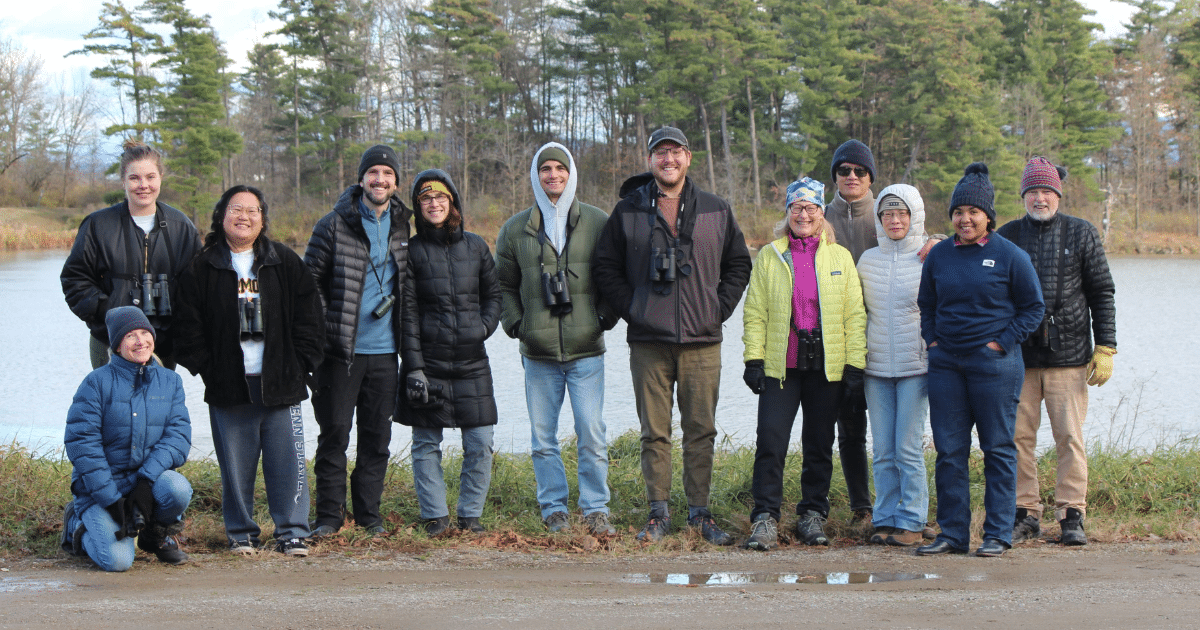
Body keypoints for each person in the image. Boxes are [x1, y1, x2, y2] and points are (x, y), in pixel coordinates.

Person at [593, 126, 752, 545]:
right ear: (650, 160)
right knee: (654, 432)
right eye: (661, 153)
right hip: (649, 342)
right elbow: (605, 267)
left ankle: (700, 514)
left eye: (676, 153)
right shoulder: (627, 211)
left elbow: (738, 265)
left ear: (689, 158)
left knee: (701, 429)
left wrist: (717, 310)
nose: (669, 160)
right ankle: (658, 514)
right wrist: (634, 310)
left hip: (703, 341)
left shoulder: (717, 209)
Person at [175, 186, 325, 557]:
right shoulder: (202, 266)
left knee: (288, 463)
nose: (244, 216)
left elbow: (311, 318)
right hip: (229, 384)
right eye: (236, 209)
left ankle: (292, 530)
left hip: (281, 381)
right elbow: (186, 326)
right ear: (221, 216)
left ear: (263, 217)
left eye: (253, 210)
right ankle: (241, 533)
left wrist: (301, 363)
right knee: (236, 468)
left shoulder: (284, 261)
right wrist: (208, 368)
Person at [916, 163, 1044, 557]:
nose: (965, 219)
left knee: (998, 449)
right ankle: (953, 534)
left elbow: (1032, 308)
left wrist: (1000, 344)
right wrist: (933, 341)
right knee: (950, 451)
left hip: (995, 367)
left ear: (988, 216)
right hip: (946, 367)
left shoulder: (1010, 255)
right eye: (958, 212)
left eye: (973, 212)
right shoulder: (940, 256)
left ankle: (997, 534)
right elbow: (926, 305)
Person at [495, 143, 618, 536]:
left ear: (571, 174)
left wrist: (604, 319)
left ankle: (596, 508)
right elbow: (501, 287)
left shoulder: (598, 222)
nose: (553, 175)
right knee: (543, 439)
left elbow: (616, 276)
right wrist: (518, 325)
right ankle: (554, 509)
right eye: (545, 169)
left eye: (560, 169)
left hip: (586, 351)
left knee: (592, 434)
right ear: (535, 175)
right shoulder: (516, 229)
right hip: (538, 353)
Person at [740, 177, 867, 550]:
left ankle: (812, 514)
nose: (804, 214)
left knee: (818, 443)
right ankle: (765, 517)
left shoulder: (839, 257)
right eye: (797, 207)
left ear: (822, 213)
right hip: (783, 364)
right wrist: (754, 359)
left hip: (827, 365)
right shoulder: (770, 255)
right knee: (771, 441)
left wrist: (855, 365)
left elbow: (854, 316)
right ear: (788, 213)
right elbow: (755, 313)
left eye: (811, 208)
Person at [997, 157, 1117, 547]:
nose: (1040, 198)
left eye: (1047, 191)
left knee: (1070, 437)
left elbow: (1102, 292)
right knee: (1018, 437)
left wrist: (1106, 346)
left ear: (1058, 195)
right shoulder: (1008, 235)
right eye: (1033, 191)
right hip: (1020, 357)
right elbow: (992, 291)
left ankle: (1071, 513)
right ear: (1024, 196)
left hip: (1070, 355)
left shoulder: (1082, 233)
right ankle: (1025, 511)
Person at [304, 145, 412, 538]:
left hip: (386, 353)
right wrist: (329, 325)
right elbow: (308, 283)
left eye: (387, 173)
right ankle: (329, 518)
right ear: (362, 178)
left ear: (395, 181)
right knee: (333, 436)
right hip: (340, 354)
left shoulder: (403, 224)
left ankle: (369, 516)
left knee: (376, 438)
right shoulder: (332, 224)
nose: (379, 180)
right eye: (373, 173)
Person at [399, 170, 502, 536]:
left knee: (481, 442)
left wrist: (482, 328)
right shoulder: (410, 252)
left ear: (453, 202)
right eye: (426, 199)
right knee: (426, 444)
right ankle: (436, 518)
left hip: (473, 362)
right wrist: (414, 367)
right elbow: (406, 314)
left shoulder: (476, 247)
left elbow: (495, 296)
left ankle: (470, 515)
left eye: (440, 197)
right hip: (429, 363)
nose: (434, 204)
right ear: (418, 207)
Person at [61, 306, 194, 571]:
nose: (141, 341)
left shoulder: (170, 381)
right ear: (117, 345)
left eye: (145, 333)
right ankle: (77, 524)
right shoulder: (96, 383)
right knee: (117, 562)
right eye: (131, 335)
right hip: (101, 489)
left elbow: (178, 438)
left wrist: (145, 482)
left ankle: (154, 534)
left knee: (177, 489)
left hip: (146, 480)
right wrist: (111, 501)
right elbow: (82, 446)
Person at [61, 140, 202, 370]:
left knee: (159, 406)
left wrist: (179, 325)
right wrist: (108, 311)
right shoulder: (98, 225)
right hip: (110, 339)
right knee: (112, 405)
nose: (143, 185)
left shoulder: (181, 227)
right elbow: (74, 279)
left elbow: (198, 286)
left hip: (162, 344)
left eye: (150, 177)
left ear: (161, 177)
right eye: (134, 178)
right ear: (123, 181)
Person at [855, 184, 930, 547]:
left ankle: (913, 520)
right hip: (876, 370)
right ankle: (884, 517)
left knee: (908, 448)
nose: (895, 220)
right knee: (883, 449)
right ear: (879, 219)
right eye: (888, 214)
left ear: (914, 216)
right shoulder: (867, 260)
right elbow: (857, 313)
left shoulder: (931, 255)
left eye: (902, 213)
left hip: (916, 368)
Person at [823, 140, 878, 525]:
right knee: (850, 429)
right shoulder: (819, 215)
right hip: (839, 338)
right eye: (844, 170)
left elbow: (924, 241)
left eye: (859, 171)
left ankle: (903, 508)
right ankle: (862, 508)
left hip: (888, 332)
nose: (852, 177)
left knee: (897, 434)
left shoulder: (890, 210)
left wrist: (935, 242)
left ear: (870, 176)